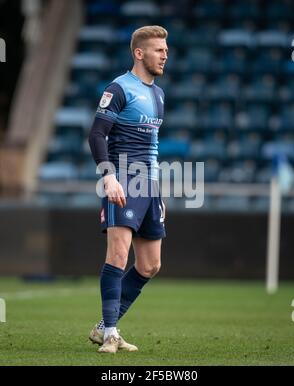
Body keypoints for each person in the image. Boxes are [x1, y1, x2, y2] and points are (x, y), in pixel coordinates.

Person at [88, 25, 168, 354]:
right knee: (118, 255)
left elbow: (152, 146)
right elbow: (96, 134)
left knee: (150, 264)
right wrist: (108, 176)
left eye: (166, 49)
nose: (165, 54)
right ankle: (110, 334)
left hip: (149, 184)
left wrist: (155, 189)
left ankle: (104, 327)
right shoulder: (120, 88)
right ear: (139, 53)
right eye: (158, 49)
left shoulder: (159, 94)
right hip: (123, 177)